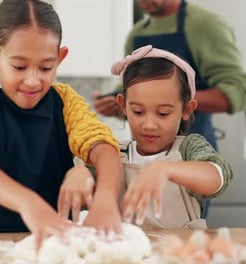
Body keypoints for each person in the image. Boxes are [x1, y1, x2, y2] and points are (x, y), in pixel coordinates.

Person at [0, 0, 122, 249]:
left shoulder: (66, 101)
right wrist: (30, 203)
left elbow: (103, 148)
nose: (32, 80)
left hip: (48, 245)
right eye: (19, 66)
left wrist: (105, 198)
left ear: (60, 59)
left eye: (45, 67)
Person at [66, 45, 233, 229]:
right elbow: (87, 183)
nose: (149, 124)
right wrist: (79, 174)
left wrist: (165, 170)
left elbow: (217, 178)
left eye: (162, 114)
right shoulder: (113, 152)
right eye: (138, 112)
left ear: (186, 109)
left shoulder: (188, 148)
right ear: (123, 105)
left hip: (180, 255)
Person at [93, 0, 246, 149]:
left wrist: (171, 98)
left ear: (188, 109)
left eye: (163, 113)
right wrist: (116, 105)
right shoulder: (137, 33)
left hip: (193, 151)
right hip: (146, 157)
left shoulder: (205, 25)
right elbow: (129, 92)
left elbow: (239, 92)